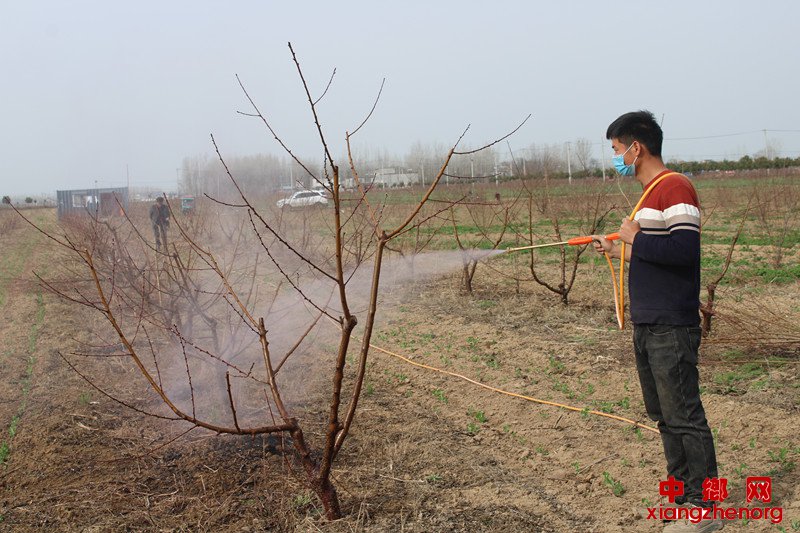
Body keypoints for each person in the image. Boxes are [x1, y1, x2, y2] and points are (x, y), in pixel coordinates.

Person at [593, 111, 722, 533]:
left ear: (637, 148)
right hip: (648, 324)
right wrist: (617, 250)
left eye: (616, 150)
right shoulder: (649, 194)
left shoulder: (675, 188)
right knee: (664, 415)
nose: (615, 159)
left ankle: (706, 509)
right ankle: (680, 497)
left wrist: (635, 238)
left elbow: (684, 252)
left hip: (671, 324)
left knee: (684, 414)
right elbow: (654, 253)